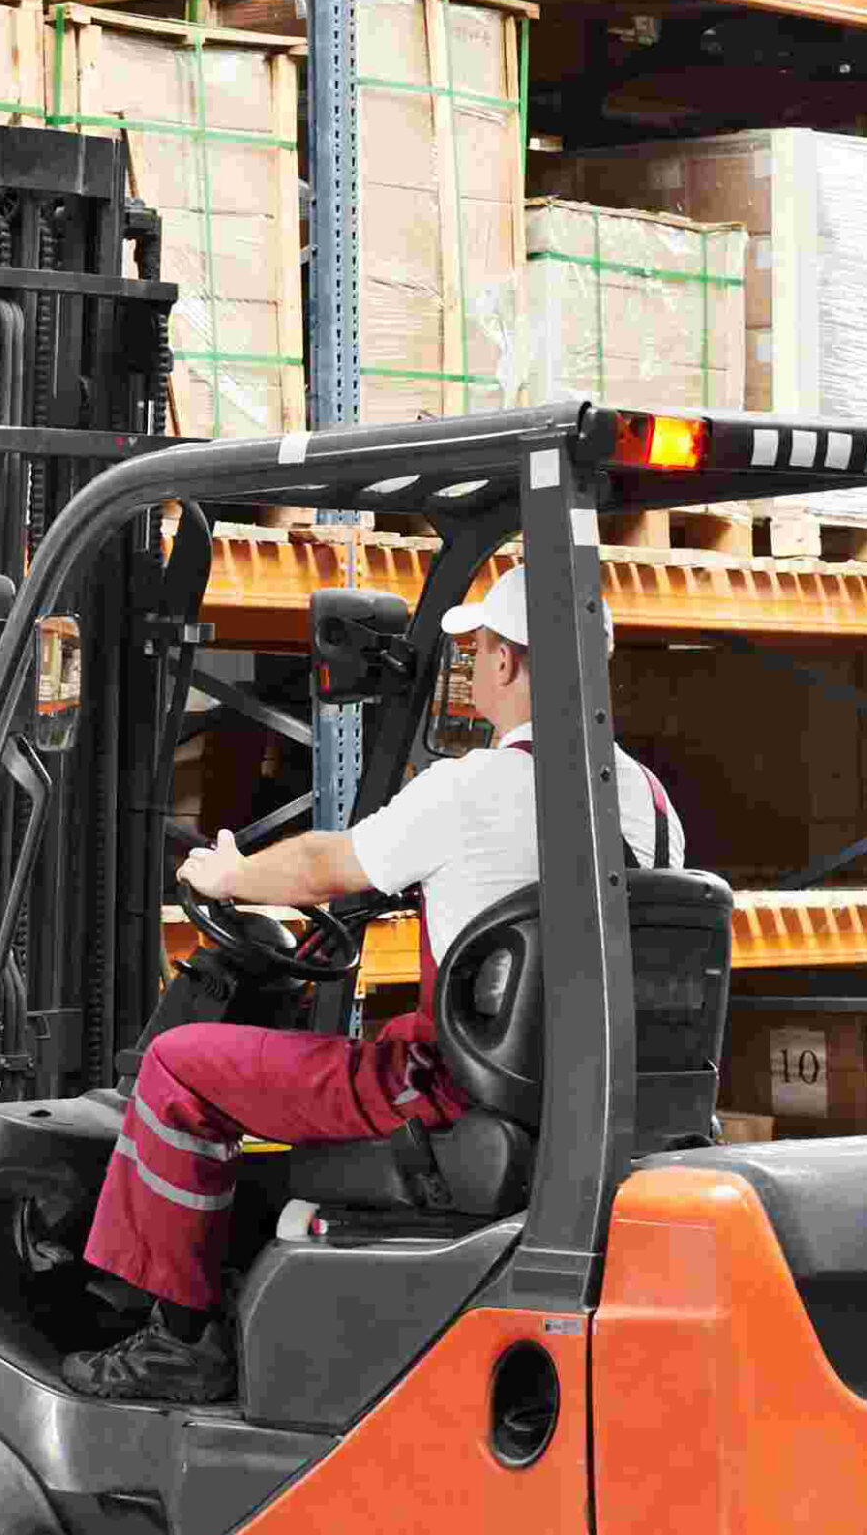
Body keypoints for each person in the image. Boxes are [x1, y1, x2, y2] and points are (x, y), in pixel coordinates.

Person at [62, 559, 686, 1404]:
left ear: (505, 662)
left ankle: (176, 1341)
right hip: (584, 1109)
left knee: (177, 1065)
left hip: (446, 1096)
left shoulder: (471, 788)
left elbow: (327, 865)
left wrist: (228, 876)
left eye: (480, 653)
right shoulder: (651, 804)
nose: (474, 670)